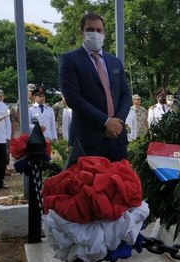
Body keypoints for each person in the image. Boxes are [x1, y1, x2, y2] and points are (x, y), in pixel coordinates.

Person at [59, 12, 132, 161]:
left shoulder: (115, 62)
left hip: (117, 139)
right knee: (88, 183)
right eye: (90, 30)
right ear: (82, 33)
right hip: (88, 140)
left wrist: (117, 122)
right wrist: (105, 122)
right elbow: (73, 98)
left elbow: (125, 95)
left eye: (99, 30)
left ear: (104, 33)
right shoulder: (70, 60)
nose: (95, 34)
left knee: (120, 183)